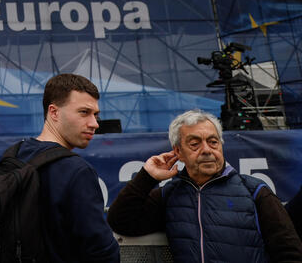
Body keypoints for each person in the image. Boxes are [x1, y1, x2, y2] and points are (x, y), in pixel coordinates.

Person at [107, 109, 302, 262]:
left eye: (213, 141)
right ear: (178, 152)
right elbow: (121, 221)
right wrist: (147, 177)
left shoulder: (255, 191)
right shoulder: (169, 195)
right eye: (195, 143)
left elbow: (289, 252)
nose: (207, 150)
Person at [13, 73, 120, 262]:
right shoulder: (76, 171)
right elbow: (101, 251)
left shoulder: (13, 155)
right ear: (53, 112)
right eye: (84, 112)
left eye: (96, 115)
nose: (94, 124)